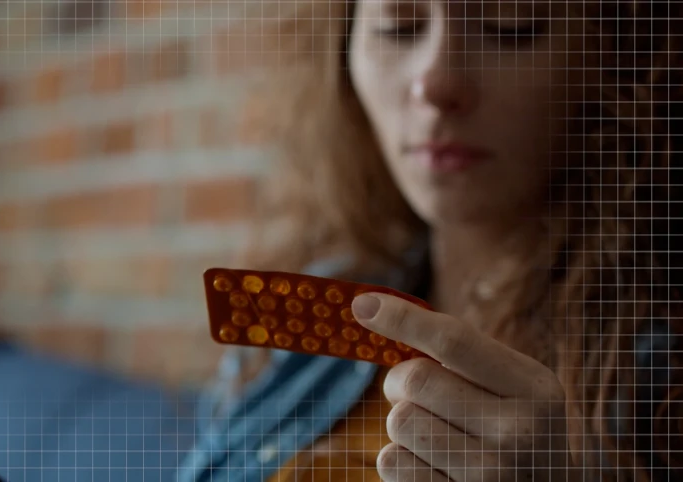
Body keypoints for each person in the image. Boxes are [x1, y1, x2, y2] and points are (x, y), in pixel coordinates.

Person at [177, 0, 682, 481]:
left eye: (511, 23)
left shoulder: (658, 382)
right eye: (398, 26)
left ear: (612, 59)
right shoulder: (306, 317)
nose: (436, 82)